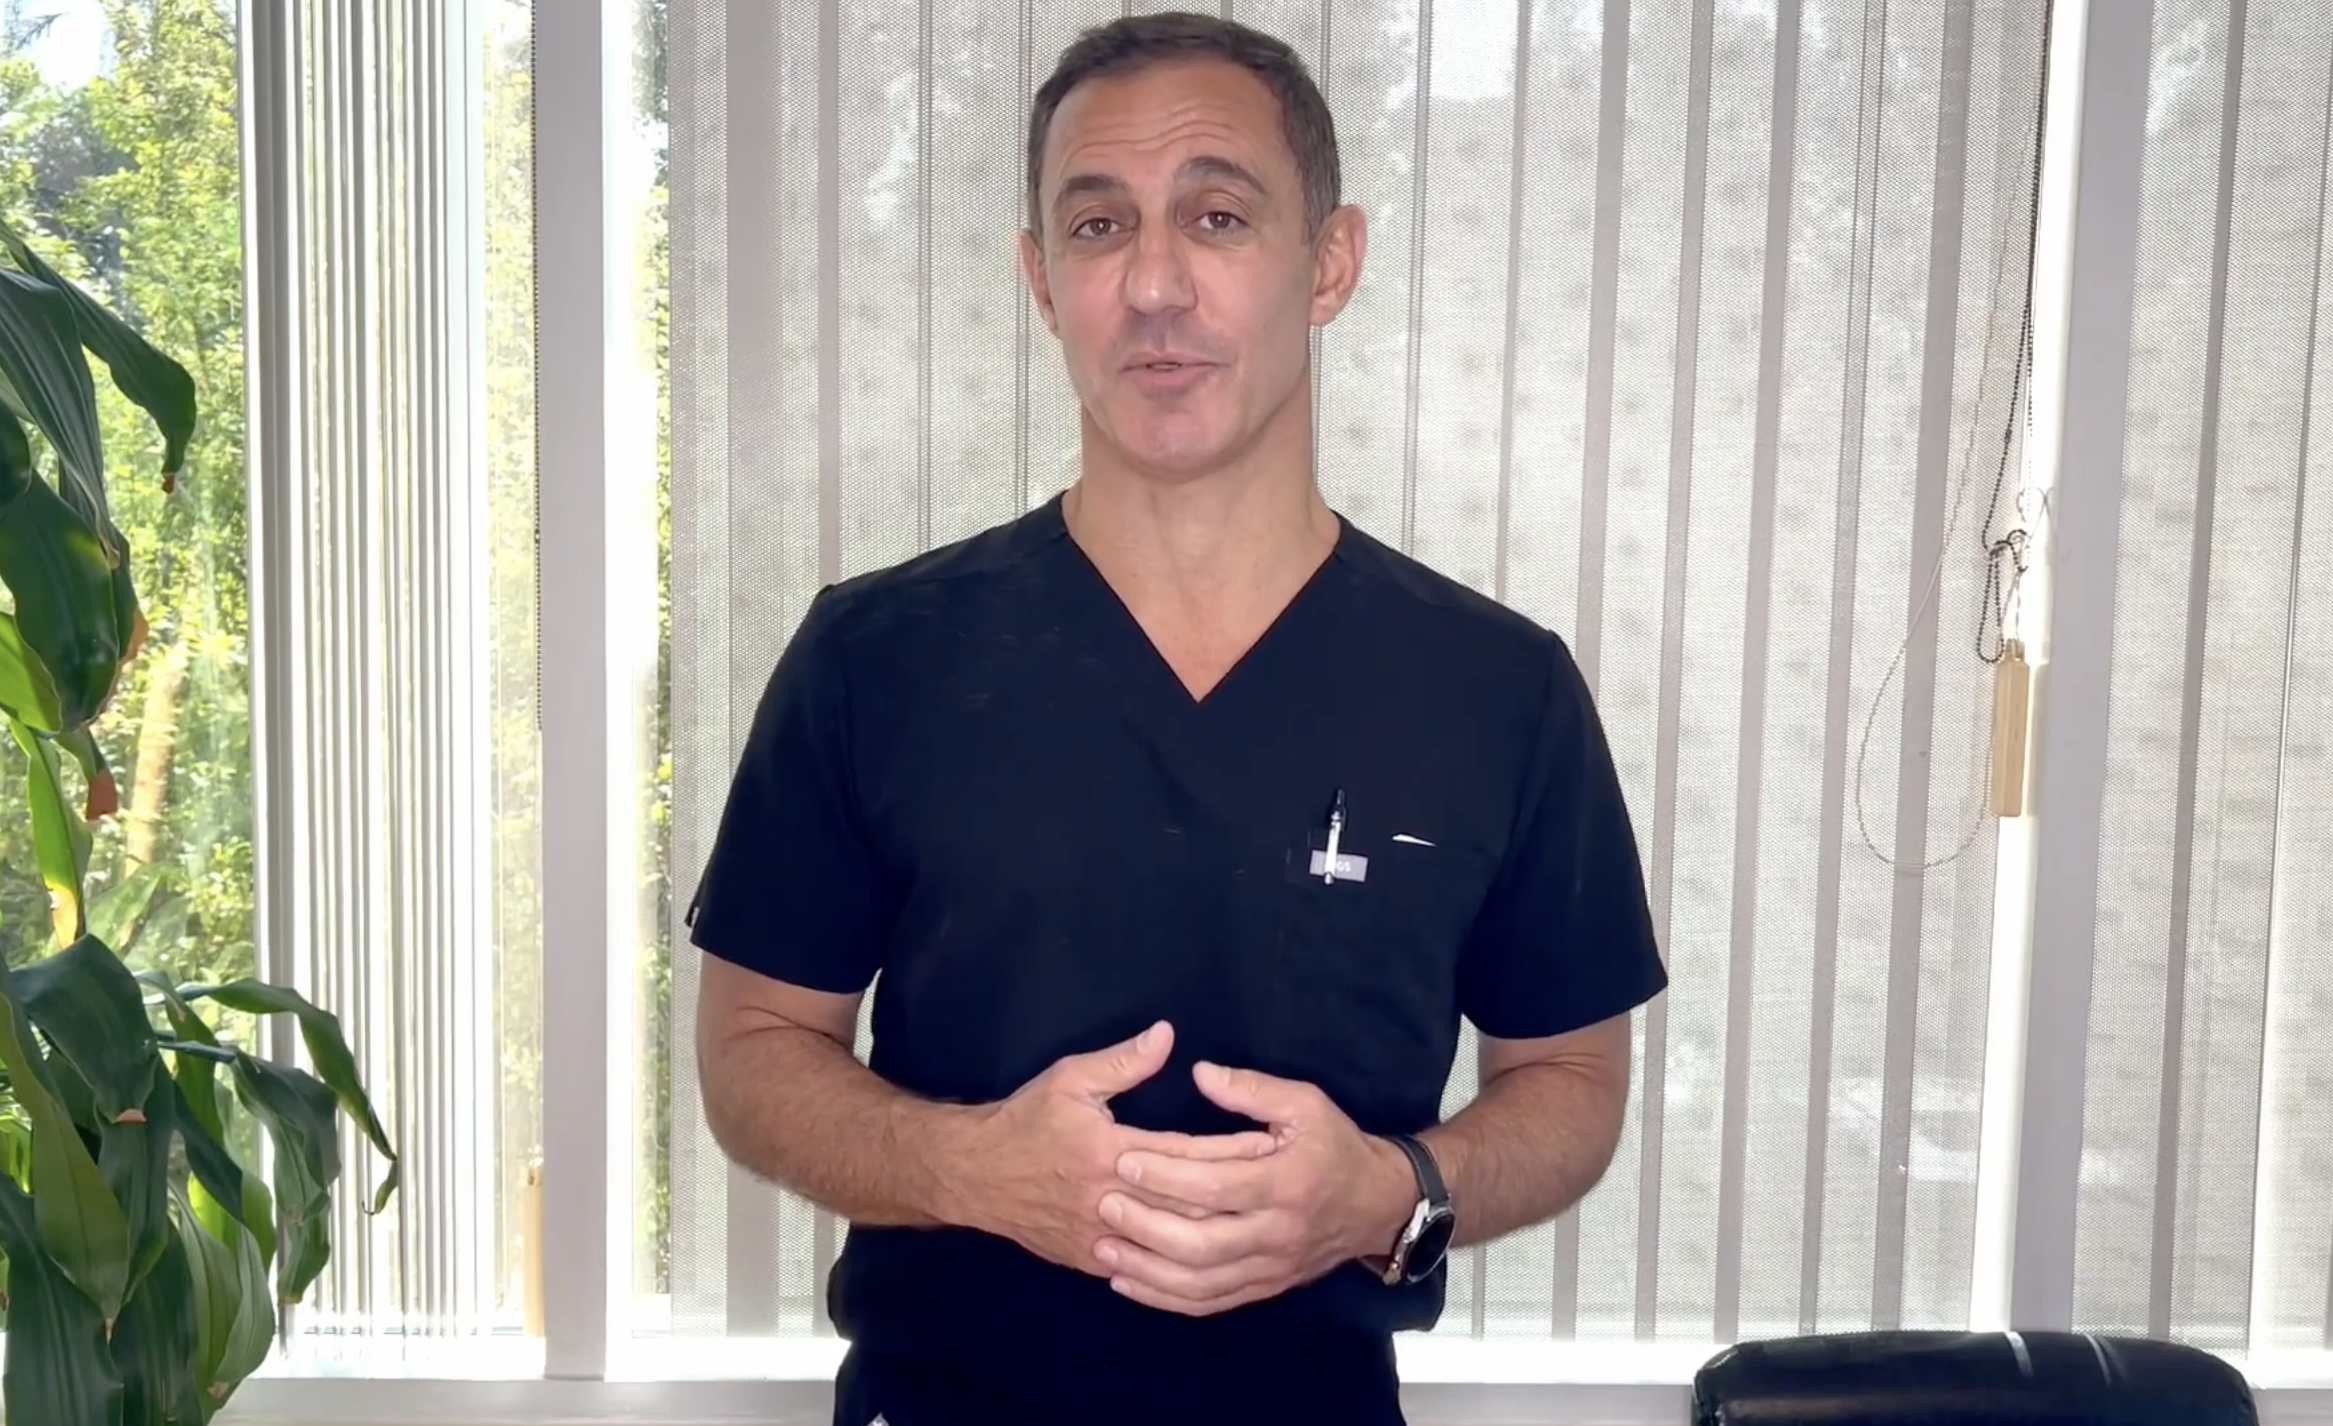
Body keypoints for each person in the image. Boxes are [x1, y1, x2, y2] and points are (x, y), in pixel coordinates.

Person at [688, 12, 1666, 1425]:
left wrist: (1389, 1193)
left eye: (1216, 215)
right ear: (1039, 279)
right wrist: (973, 1170)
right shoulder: (876, 656)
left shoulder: (1494, 689)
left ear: (1328, 261)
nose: (1153, 283)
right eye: (1096, 227)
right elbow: (751, 1051)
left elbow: (1570, 1075)